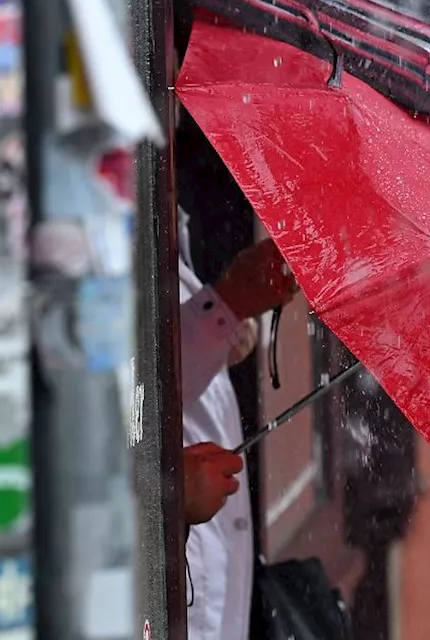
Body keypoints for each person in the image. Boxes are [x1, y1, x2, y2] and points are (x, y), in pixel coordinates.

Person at [176, 208, 297, 640]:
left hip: (209, 592)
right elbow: (131, 392)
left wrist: (223, 317)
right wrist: (227, 306)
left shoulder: (172, 217)